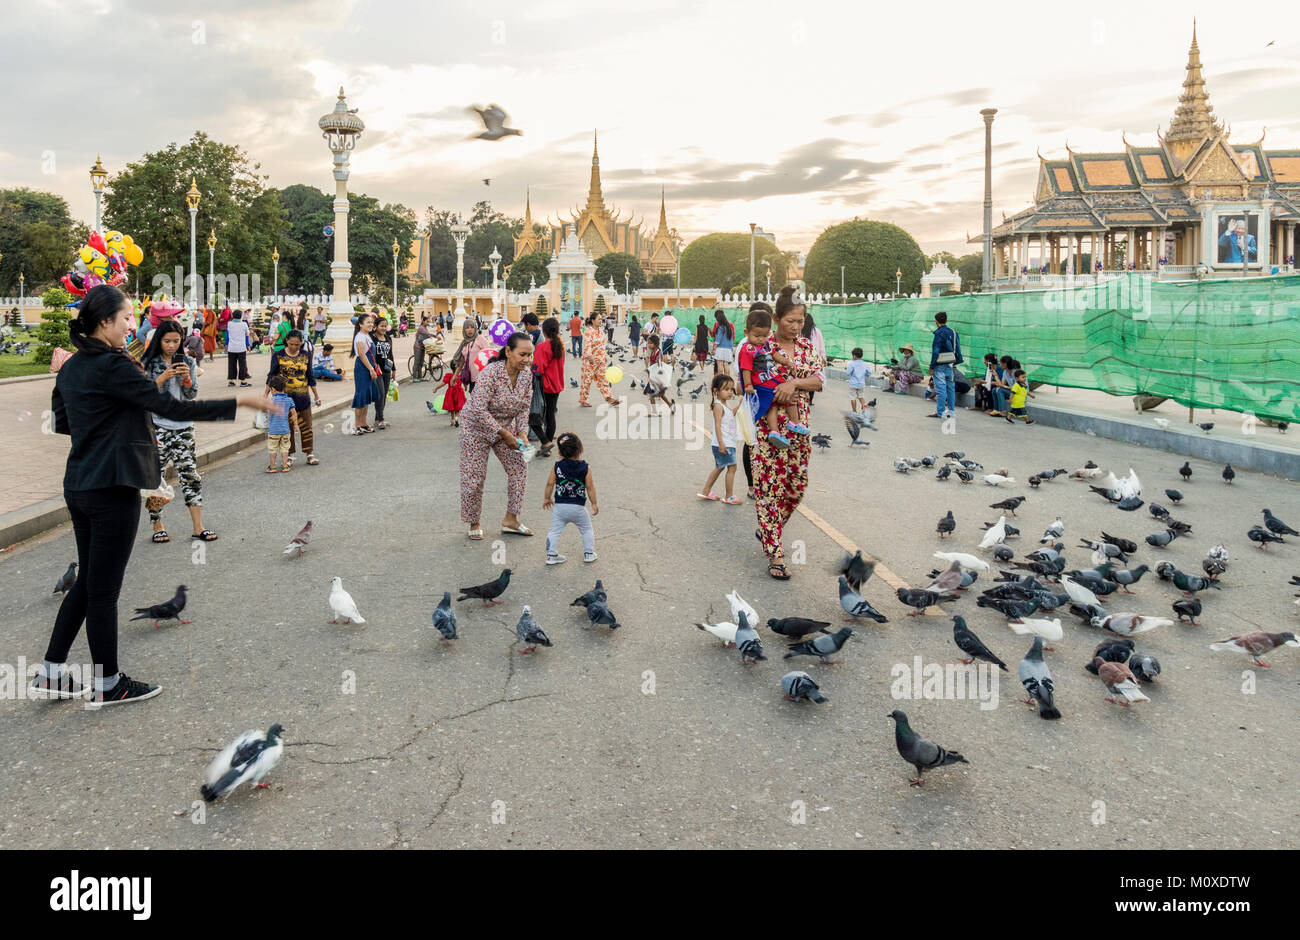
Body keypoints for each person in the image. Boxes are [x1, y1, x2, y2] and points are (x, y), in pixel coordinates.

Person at [34, 284, 274, 706]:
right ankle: (109, 684)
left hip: (80, 484)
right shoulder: (113, 366)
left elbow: (61, 421)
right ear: (105, 321)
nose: (133, 324)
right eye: (127, 317)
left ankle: (52, 672)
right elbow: (174, 409)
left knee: (88, 584)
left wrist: (106, 422)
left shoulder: (73, 366)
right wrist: (243, 402)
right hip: (112, 487)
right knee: (103, 591)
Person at [752, 286, 823, 581]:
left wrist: (794, 385)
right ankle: (776, 553)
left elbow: (818, 380)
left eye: (800, 321)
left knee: (796, 488)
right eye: (790, 321)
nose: (796, 327)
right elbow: (751, 383)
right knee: (769, 490)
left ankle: (771, 528)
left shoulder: (806, 347)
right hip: (769, 430)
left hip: (800, 429)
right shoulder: (761, 346)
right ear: (777, 318)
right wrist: (775, 393)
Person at [141, 320, 217, 543]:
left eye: (176, 341)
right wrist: (164, 376)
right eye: (167, 341)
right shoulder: (150, 363)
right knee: (155, 477)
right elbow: (145, 393)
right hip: (158, 426)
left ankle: (198, 527)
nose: (172, 346)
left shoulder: (189, 361)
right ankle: (157, 525)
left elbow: (191, 394)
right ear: (159, 341)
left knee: (190, 475)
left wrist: (185, 379)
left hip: (183, 427)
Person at [459, 332, 536, 540]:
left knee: (519, 467)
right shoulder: (491, 373)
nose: (526, 360)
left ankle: (511, 519)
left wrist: (521, 431)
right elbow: (478, 409)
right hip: (475, 428)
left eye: (530, 355)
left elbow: (524, 406)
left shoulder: (527, 375)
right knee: (474, 478)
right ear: (508, 352)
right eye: (522, 354)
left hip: (505, 428)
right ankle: (474, 521)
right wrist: (503, 433)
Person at [737, 307, 808, 449]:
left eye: (764, 335)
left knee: (789, 393)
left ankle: (794, 422)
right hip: (761, 384)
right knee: (772, 405)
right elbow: (746, 369)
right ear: (747, 333)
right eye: (756, 336)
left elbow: (775, 354)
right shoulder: (747, 349)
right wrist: (748, 385)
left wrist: (786, 362)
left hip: (772, 379)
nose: (760, 339)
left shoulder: (766, 344)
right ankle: (774, 430)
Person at [266, 329, 322, 465]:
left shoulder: (306, 355)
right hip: (284, 398)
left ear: (301, 343)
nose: (294, 347)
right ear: (286, 341)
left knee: (307, 425)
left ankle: (310, 453)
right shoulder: (278, 355)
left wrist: (316, 395)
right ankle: (289, 455)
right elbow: (271, 376)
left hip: (303, 397)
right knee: (288, 427)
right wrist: (265, 394)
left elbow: (310, 376)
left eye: (297, 345)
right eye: (291, 344)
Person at [542, 431, 598, 564]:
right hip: (578, 507)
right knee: (586, 529)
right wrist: (594, 503)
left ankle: (551, 555)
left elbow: (550, 483)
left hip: (560, 507)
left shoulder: (557, 466)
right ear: (580, 448)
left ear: (560, 452)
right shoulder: (585, 467)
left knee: (554, 531)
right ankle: (589, 553)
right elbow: (590, 487)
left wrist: (547, 498)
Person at [697, 373, 741, 505]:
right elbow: (717, 424)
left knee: (720, 467)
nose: (730, 393)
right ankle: (729, 496)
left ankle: (705, 491)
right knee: (732, 468)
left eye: (731, 390)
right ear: (716, 391)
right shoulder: (718, 406)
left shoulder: (724, 404)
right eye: (726, 389)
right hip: (724, 443)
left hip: (726, 442)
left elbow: (731, 414)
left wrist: (739, 405)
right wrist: (722, 443)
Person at [531, 316, 565, 456]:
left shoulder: (542, 347)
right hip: (556, 385)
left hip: (544, 386)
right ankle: (547, 447)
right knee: (550, 415)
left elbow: (538, 369)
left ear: (544, 331)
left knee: (533, 416)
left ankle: (546, 442)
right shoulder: (560, 346)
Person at [578, 312, 620, 407]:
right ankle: (583, 400)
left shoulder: (601, 330)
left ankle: (609, 398)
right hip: (590, 361)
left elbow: (602, 345)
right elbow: (587, 345)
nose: (601, 321)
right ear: (593, 320)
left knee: (604, 379)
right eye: (599, 319)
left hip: (601, 360)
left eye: (601, 319)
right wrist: (590, 357)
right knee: (587, 381)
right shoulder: (588, 331)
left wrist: (604, 356)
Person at [349, 312, 381, 434]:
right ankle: (356, 425)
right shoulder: (360, 337)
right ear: (361, 324)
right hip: (363, 369)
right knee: (361, 396)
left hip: (369, 367)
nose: (370, 324)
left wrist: (374, 365)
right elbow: (362, 355)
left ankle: (363, 423)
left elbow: (370, 354)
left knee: (367, 396)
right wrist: (371, 369)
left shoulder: (367, 336)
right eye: (368, 322)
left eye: (371, 322)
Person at [929, 311, 963, 420]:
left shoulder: (939, 334)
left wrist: (932, 366)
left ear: (936, 321)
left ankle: (941, 412)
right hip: (950, 363)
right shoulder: (953, 332)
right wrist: (955, 361)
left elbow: (936, 351)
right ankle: (951, 411)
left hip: (940, 364)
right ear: (946, 320)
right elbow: (958, 349)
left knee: (941, 389)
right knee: (950, 388)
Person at [265, 374, 297, 472]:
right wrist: (296, 425)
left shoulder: (271, 400)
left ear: (273, 389)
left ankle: (273, 466)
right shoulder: (289, 400)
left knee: (272, 448)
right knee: (285, 448)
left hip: (273, 430)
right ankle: (285, 466)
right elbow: (294, 413)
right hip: (285, 430)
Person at [453, 320, 493, 396]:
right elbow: (462, 361)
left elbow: (489, 354)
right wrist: (455, 376)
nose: (470, 329)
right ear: (464, 330)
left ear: (475, 328)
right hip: (472, 378)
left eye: (472, 327)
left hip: (482, 378)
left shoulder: (480, 339)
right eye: (467, 328)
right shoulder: (464, 343)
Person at [372, 316, 395, 429]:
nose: (384, 328)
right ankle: (381, 419)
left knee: (384, 395)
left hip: (387, 369)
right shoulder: (372, 338)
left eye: (385, 326)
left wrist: (394, 369)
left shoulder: (387, 338)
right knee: (380, 394)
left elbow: (391, 354)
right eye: (381, 326)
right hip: (377, 370)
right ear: (375, 326)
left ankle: (377, 418)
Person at [642, 334, 674, 413]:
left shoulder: (659, 353)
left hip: (657, 378)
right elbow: (651, 365)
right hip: (653, 376)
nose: (648, 345)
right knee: (658, 395)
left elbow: (660, 365)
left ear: (655, 344)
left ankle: (655, 410)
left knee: (653, 394)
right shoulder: (653, 352)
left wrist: (659, 361)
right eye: (648, 343)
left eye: (650, 343)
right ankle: (669, 404)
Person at [225, 309, 252, 386]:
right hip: (241, 348)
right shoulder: (244, 324)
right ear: (240, 316)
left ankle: (231, 381)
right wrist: (248, 345)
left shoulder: (229, 324)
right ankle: (243, 381)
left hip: (231, 348)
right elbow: (247, 335)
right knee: (242, 364)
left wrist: (226, 345)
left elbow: (227, 336)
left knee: (231, 364)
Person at [711, 309, 735, 377]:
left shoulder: (721, 327)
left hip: (720, 349)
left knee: (720, 364)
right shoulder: (729, 327)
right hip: (728, 349)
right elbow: (732, 339)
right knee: (726, 364)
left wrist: (714, 349)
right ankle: (727, 378)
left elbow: (717, 340)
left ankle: (720, 379)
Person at [412, 314, 434, 381]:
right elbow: (427, 334)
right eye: (427, 321)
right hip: (417, 346)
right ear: (423, 321)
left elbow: (427, 335)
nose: (428, 323)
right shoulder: (421, 328)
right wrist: (435, 336)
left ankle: (420, 377)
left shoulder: (425, 328)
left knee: (421, 362)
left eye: (428, 322)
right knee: (417, 362)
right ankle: (415, 377)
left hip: (422, 347)